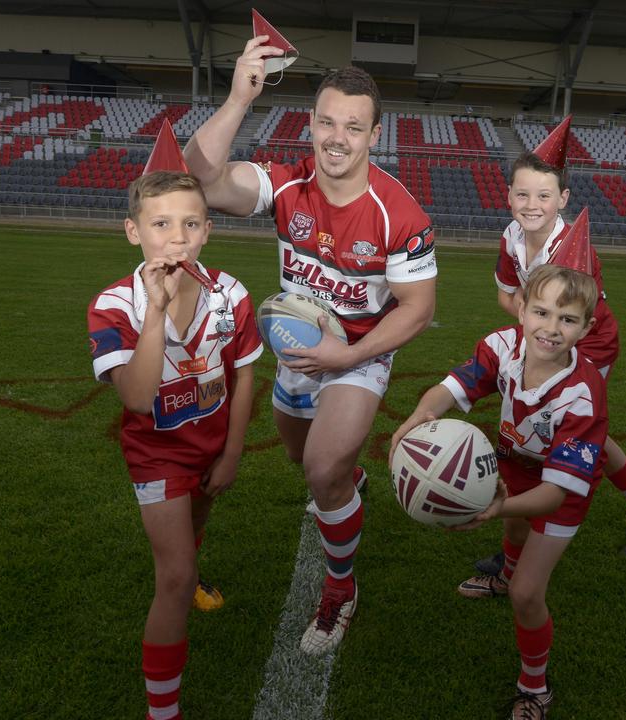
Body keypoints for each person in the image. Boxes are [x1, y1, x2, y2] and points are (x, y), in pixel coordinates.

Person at [183, 36, 438, 655]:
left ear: (374, 135)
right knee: (308, 464)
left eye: (353, 127)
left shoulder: (399, 214)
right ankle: (349, 486)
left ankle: (341, 592)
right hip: (297, 350)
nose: (336, 137)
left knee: (323, 470)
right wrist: (241, 97)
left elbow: (419, 308)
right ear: (312, 124)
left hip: (359, 352)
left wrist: (349, 357)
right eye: (326, 121)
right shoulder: (287, 183)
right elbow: (198, 179)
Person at [390, 263, 607, 719]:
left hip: (561, 488)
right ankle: (504, 576)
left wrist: (493, 507)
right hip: (513, 463)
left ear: (587, 326)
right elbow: (451, 389)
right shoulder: (502, 346)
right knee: (514, 528)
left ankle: (535, 687)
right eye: (541, 312)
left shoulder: (584, 392)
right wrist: (417, 418)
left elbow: (553, 495)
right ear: (521, 309)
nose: (551, 328)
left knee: (529, 593)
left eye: (567, 319)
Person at [87, 170, 262, 720]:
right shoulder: (115, 305)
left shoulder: (230, 294)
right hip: (156, 452)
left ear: (208, 230)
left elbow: (246, 378)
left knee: (198, 517)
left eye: (190, 223)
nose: (177, 237)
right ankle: (162, 712)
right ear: (133, 231)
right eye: (161, 223)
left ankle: (190, 559)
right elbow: (138, 398)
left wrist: (232, 453)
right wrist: (158, 311)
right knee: (176, 574)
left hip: (212, 444)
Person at [473, 120, 626, 575]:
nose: (531, 205)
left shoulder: (571, 249)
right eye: (522, 195)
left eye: (544, 196)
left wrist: (539, 327)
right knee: (583, 435)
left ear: (562, 200)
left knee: (563, 431)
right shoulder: (510, 235)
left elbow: (576, 321)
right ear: (508, 196)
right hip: (547, 336)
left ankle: (529, 541)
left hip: (589, 342)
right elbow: (508, 295)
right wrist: (530, 321)